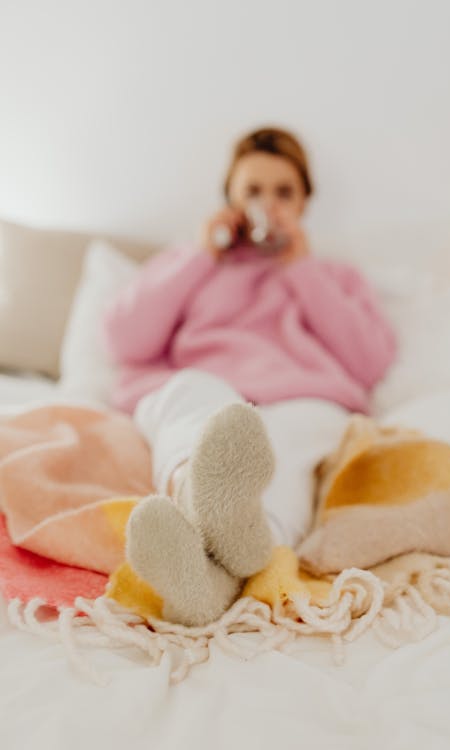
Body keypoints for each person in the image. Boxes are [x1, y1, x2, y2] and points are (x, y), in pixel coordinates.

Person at [103, 126, 397, 625]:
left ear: (305, 201)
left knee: (289, 441)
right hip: (207, 385)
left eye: (284, 191)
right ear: (231, 200)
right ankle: (199, 502)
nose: (269, 203)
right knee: (195, 403)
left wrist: (300, 267)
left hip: (301, 396)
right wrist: (202, 254)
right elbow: (125, 339)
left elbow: (370, 361)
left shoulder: (333, 276)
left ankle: (210, 574)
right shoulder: (193, 264)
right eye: (253, 190)